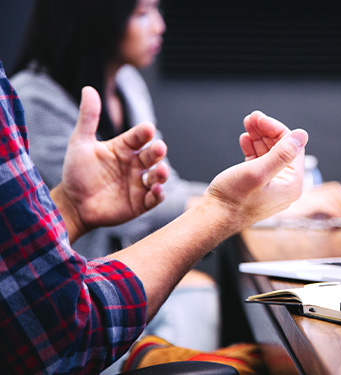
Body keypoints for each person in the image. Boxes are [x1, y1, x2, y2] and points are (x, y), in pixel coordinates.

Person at [0, 59, 308, 374]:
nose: (159, 24)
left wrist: (71, 208)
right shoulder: (31, 97)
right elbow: (63, 331)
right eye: (144, 11)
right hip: (76, 340)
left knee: (200, 293)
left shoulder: (128, 82)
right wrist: (225, 209)